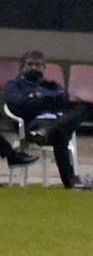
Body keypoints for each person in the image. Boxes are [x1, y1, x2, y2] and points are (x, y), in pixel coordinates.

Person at [3, 50, 84, 188]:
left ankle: (47, 131)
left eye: (38, 65)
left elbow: (66, 99)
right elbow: (17, 103)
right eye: (30, 64)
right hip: (34, 125)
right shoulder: (14, 85)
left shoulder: (51, 85)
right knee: (61, 134)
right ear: (22, 66)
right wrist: (49, 100)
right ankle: (70, 180)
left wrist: (39, 97)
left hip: (54, 125)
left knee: (81, 108)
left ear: (44, 67)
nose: (34, 68)